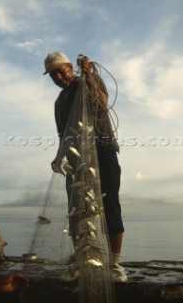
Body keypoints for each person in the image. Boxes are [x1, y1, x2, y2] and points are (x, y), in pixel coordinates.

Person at [43, 52, 127, 282]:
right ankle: (82, 263)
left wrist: (89, 74)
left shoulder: (88, 80)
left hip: (104, 150)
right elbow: (64, 135)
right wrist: (58, 157)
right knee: (77, 211)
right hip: (76, 159)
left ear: (70, 66)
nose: (58, 76)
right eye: (52, 75)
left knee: (109, 206)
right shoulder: (59, 103)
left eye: (60, 70)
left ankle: (115, 265)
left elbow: (101, 105)